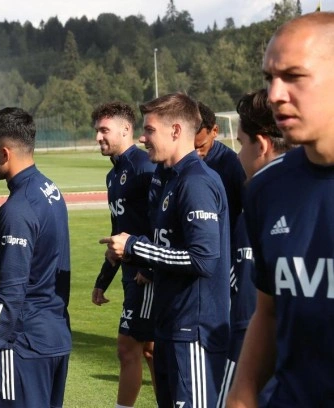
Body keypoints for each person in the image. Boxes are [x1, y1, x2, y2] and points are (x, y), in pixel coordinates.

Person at [226, 12, 334, 408]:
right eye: (270, 77)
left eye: (293, 76)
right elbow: (269, 311)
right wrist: (242, 394)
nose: (274, 94)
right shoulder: (266, 189)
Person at [100, 93, 230, 408]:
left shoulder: (196, 182)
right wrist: (132, 253)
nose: (142, 138)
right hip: (170, 325)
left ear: (175, 131)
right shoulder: (168, 178)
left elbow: (203, 259)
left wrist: (135, 246)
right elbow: (167, 246)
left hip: (193, 331)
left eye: (149, 130)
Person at [0, 107, 71, 407]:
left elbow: (11, 293)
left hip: (25, 344)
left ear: (4, 153)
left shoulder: (17, 210)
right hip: (55, 336)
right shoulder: (49, 189)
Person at [216, 90, 294, 406]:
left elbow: (255, 313)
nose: (238, 157)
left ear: (261, 145)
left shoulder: (260, 200)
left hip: (249, 348)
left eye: (240, 144)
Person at [90, 102, 156, 408]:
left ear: (126, 129)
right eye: (97, 131)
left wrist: (151, 268)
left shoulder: (145, 167)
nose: (98, 137)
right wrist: (103, 280)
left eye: (104, 130)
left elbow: (162, 223)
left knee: (128, 347)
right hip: (132, 273)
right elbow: (118, 233)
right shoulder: (112, 176)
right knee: (150, 350)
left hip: (147, 276)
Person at [195, 101, 246, 231]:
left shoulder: (232, 163)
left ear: (215, 131)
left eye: (201, 146)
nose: (196, 153)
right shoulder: (179, 162)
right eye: (191, 147)